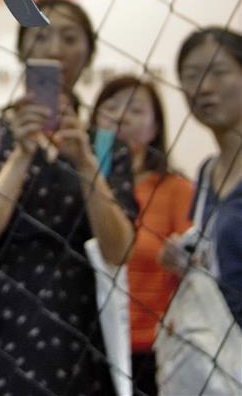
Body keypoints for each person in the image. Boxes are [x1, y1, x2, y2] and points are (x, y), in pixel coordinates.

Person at [0, 0, 138, 396]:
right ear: (21, 50)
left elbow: (119, 250)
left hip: (81, 314)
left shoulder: (106, 146)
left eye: (69, 38)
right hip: (2, 313)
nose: (55, 49)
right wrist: (21, 155)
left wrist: (86, 163)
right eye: (40, 36)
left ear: (89, 53)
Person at [91, 75, 194, 396]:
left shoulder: (176, 189)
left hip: (155, 349)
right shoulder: (80, 187)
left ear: (155, 127)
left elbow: (196, 258)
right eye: (111, 108)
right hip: (90, 343)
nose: (121, 118)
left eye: (135, 110)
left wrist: (178, 256)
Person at [158, 27, 242, 385]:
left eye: (218, 72)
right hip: (222, 358)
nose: (204, 87)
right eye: (191, 76)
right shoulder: (207, 174)